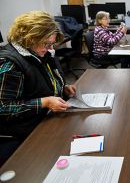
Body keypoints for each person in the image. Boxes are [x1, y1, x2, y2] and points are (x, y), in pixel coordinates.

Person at [0, 11, 76, 163]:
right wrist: (44, 102)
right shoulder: (10, 63)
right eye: (46, 44)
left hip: (48, 118)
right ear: (29, 38)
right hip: (27, 130)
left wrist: (63, 86)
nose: (49, 48)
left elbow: (44, 80)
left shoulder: (40, 53)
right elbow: (3, 107)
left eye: (51, 44)